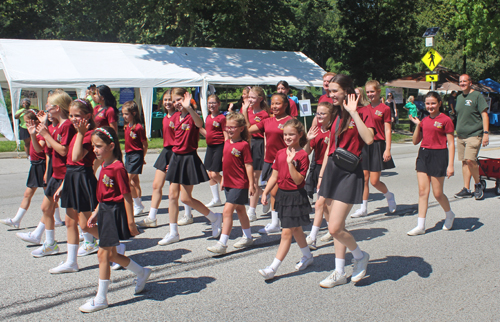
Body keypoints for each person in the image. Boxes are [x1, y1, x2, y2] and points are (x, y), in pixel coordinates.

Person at [79, 126, 151, 313]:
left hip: (113, 213)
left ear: (111, 146)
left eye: (99, 146)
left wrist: (131, 222)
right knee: (110, 255)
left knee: (103, 255)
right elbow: (103, 195)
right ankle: (142, 272)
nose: (95, 149)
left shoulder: (118, 167)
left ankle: (101, 298)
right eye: (94, 145)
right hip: (104, 210)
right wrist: (96, 211)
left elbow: (126, 195)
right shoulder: (103, 164)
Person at [317, 74, 375, 288]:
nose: (330, 94)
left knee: (333, 228)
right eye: (329, 90)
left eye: (334, 91)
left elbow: (368, 139)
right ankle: (339, 271)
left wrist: (353, 113)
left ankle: (359, 256)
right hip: (332, 171)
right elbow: (330, 147)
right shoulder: (336, 113)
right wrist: (322, 174)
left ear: (346, 91)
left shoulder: (361, 111)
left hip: (349, 173)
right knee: (337, 225)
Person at [160, 88, 222, 246]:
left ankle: (214, 218)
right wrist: (170, 161)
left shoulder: (191, 116)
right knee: (172, 196)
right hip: (176, 158)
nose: (176, 103)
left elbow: (199, 123)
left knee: (185, 198)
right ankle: (173, 232)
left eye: (180, 99)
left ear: (186, 99)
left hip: (188, 158)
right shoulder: (174, 117)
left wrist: (189, 108)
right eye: (175, 100)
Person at [16, 91, 74, 255]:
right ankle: (50, 244)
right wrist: (34, 133)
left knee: (77, 217)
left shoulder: (67, 126)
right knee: (46, 209)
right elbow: (40, 149)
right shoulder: (54, 126)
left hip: (66, 175)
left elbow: (63, 150)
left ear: (56, 107)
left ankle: (103, 243)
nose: (45, 109)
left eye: (48, 106)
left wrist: (46, 134)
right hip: (55, 174)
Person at [48, 98, 102, 270]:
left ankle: (114, 245)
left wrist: (80, 133)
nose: (73, 118)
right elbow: (70, 164)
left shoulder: (89, 134)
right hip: (71, 177)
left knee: (86, 224)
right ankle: (71, 262)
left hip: (82, 178)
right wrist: (63, 185)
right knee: (70, 222)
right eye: (70, 115)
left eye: (77, 115)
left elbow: (76, 157)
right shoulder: (77, 132)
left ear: (87, 115)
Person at [258, 119, 312, 279]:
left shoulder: (302, 155)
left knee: (287, 233)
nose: (287, 137)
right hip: (283, 195)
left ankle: (272, 268)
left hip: (296, 196)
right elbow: (274, 174)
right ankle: (308, 256)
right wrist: (265, 192)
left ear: (300, 134)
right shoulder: (280, 152)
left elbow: (298, 180)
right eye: (285, 134)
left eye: (291, 134)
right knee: (296, 229)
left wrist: (290, 164)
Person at [407, 92, 456, 235]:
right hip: (423, 154)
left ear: (439, 103)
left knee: (438, 193)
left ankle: (449, 214)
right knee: (423, 192)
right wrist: (417, 125)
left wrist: (451, 165)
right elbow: (415, 141)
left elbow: (451, 144)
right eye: (427, 103)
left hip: (439, 155)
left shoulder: (446, 120)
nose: (430, 106)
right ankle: (420, 226)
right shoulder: (424, 120)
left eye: (433, 103)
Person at [207, 112, 255, 253]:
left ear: (241, 128)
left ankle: (222, 244)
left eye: (233, 127)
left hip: (239, 183)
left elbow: (248, 165)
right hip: (229, 183)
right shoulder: (227, 142)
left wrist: (251, 184)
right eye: (228, 127)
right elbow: (226, 163)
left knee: (227, 211)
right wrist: (223, 180)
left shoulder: (244, 145)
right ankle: (248, 237)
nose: (229, 129)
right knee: (240, 210)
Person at [246, 93, 293, 234]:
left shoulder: (290, 121)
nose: (274, 106)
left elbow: (298, 141)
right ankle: (276, 222)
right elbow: (248, 130)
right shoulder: (267, 121)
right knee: (273, 192)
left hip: (284, 161)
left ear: (285, 105)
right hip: (269, 160)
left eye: (278, 104)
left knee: (276, 191)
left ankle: (277, 222)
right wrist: (243, 111)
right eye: (272, 103)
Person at [351, 80, 396, 218]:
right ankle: (363, 208)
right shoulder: (363, 109)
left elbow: (387, 130)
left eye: (372, 91)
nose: (370, 94)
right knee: (364, 178)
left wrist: (387, 149)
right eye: (368, 92)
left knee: (374, 181)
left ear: (378, 92)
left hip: (378, 145)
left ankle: (389, 195)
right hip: (365, 145)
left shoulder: (385, 109)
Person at [0, 110, 46, 228]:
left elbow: (39, 149)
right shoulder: (34, 133)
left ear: (36, 121)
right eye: (25, 123)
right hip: (35, 165)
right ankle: (17, 219)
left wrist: (33, 134)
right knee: (28, 194)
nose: (26, 125)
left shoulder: (42, 133)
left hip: (42, 165)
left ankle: (57, 219)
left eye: (28, 122)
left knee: (50, 195)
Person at [454, 74, 489, 200]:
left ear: (470, 82)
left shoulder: (477, 96)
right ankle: (466, 188)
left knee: (470, 160)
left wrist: (486, 133)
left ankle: (478, 184)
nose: (462, 83)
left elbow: (484, 115)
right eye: (460, 81)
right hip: (461, 135)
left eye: (465, 81)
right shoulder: (459, 97)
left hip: (475, 134)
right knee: (464, 162)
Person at [304, 102, 334, 249]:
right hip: (316, 167)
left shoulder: (333, 131)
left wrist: (322, 176)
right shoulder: (315, 129)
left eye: (323, 114)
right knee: (326, 206)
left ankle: (312, 237)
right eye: (318, 113)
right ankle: (332, 229)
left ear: (330, 116)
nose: (319, 116)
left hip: (329, 169)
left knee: (319, 204)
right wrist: (308, 139)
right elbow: (306, 152)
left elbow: (330, 154)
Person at [241, 86, 270, 221]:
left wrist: (245, 112)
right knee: (248, 179)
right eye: (249, 97)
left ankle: (251, 210)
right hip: (246, 144)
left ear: (260, 99)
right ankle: (265, 193)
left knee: (254, 178)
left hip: (257, 144)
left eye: (253, 97)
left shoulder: (263, 114)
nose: (250, 100)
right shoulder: (245, 110)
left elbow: (248, 129)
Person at [200, 94, 227, 208]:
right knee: (210, 174)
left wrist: (225, 152)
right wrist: (199, 128)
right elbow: (208, 133)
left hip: (219, 146)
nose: (211, 105)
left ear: (218, 104)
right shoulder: (207, 117)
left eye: (213, 103)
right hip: (210, 147)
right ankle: (216, 199)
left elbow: (226, 135)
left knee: (215, 173)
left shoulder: (222, 118)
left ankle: (231, 190)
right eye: (209, 103)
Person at [122, 101, 148, 216]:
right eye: (123, 114)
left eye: (126, 114)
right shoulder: (126, 126)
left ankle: (137, 205)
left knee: (126, 180)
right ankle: (139, 204)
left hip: (136, 155)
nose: (124, 116)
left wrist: (142, 157)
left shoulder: (138, 127)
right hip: (128, 155)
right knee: (135, 182)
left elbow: (144, 144)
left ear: (133, 113)